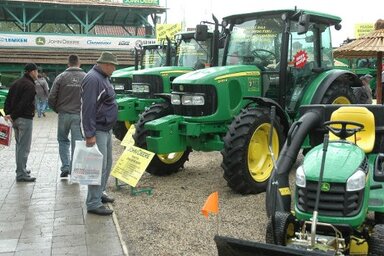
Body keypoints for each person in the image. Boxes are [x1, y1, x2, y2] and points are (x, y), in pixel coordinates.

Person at [81, 51, 118, 216]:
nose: (114, 69)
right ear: (106, 64)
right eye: (113, 66)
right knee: (97, 167)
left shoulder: (102, 78)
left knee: (107, 164)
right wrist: (89, 134)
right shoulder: (93, 79)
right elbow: (88, 108)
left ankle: (99, 193)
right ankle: (93, 202)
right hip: (98, 129)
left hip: (105, 128)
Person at [48, 54, 86, 178]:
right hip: (78, 115)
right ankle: (75, 169)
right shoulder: (86, 77)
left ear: (68, 64)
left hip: (63, 114)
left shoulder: (61, 77)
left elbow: (52, 97)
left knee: (63, 140)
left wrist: (58, 110)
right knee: (77, 143)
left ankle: (65, 167)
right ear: (79, 63)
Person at [3, 63, 38, 182]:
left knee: (19, 145)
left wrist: (8, 114)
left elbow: (8, 100)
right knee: (24, 146)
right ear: (32, 72)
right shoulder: (30, 85)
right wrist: (13, 115)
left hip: (15, 119)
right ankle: (21, 174)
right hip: (24, 118)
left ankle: (21, 168)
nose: (37, 74)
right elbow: (25, 103)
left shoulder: (16, 82)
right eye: (36, 71)